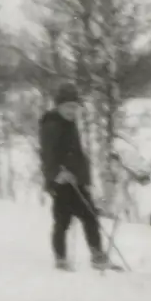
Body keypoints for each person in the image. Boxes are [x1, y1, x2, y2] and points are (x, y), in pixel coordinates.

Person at [38, 83, 109, 271]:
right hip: (61, 183)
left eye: (75, 107)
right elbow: (47, 154)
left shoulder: (69, 124)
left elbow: (75, 153)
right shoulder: (51, 125)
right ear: (58, 106)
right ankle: (60, 259)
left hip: (75, 181)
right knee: (62, 221)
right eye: (68, 106)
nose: (72, 111)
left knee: (90, 216)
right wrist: (57, 174)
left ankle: (97, 255)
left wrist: (84, 178)